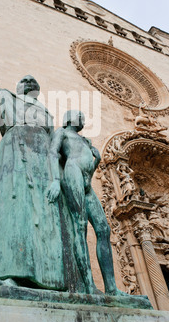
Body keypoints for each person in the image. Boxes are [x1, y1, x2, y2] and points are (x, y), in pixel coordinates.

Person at [0, 31, 66, 293]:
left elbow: (56, 145)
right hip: (15, 153)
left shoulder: (47, 114)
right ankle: (6, 272)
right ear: (18, 86)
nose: (28, 80)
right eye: (23, 79)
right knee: (15, 208)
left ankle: (47, 278)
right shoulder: (5, 98)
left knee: (45, 215)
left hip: (42, 160)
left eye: (32, 80)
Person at [47, 110, 128, 296]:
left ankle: (112, 288)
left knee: (103, 229)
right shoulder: (62, 132)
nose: (82, 119)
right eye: (79, 116)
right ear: (69, 118)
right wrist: (56, 181)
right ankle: (89, 285)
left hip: (86, 181)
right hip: (72, 173)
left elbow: (89, 171)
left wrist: (97, 160)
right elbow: (53, 153)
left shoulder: (85, 140)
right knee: (80, 227)